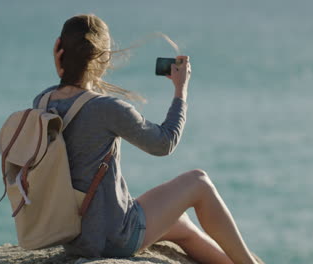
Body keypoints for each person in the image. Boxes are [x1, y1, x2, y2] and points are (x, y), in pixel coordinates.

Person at [33, 14, 264, 264]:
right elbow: (164, 143)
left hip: (74, 236)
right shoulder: (107, 108)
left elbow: (79, 107)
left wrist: (65, 76)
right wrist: (180, 91)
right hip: (112, 237)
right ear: (104, 56)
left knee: (180, 224)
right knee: (199, 182)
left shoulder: (43, 102)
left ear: (59, 49)